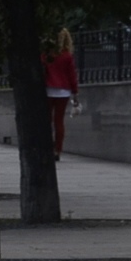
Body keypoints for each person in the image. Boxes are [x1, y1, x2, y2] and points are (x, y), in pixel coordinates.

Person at [45, 29, 80, 162]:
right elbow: (72, 75)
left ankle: (46, 147)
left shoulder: (47, 55)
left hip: (48, 89)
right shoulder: (67, 56)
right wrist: (75, 92)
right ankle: (57, 149)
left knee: (46, 120)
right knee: (59, 121)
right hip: (63, 91)